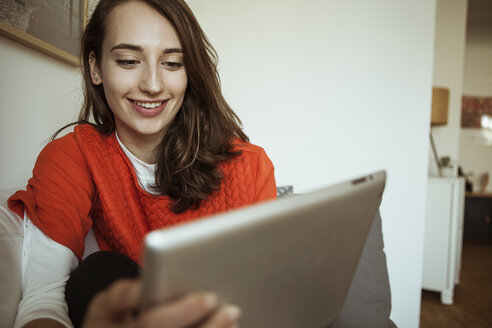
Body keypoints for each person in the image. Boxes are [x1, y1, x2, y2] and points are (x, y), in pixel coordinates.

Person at [7, 0, 276, 327]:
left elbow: (266, 298)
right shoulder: (74, 156)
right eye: (129, 60)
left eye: (173, 63)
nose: (152, 84)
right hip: (116, 299)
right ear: (95, 68)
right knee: (98, 272)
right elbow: (43, 300)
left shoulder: (251, 167)